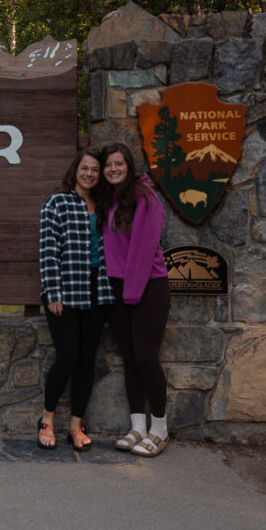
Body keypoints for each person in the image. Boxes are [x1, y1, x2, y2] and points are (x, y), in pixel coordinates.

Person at [38, 149, 114, 451]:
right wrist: (52, 292)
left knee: (86, 362)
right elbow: (47, 250)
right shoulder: (57, 202)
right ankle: (47, 419)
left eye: (95, 169)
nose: (90, 174)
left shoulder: (106, 205)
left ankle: (75, 425)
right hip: (65, 291)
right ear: (76, 170)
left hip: (98, 290)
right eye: (85, 168)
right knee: (67, 356)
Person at [98, 141, 171, 457]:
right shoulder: (112, 200)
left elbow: (143, 249)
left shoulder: (145, 197)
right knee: (129, 357)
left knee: (145, 357)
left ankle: (159, 429)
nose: (113, 169)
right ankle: (137, 427)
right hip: (118, 288)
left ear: (129, 166)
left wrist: (130, 293)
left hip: (148, 287)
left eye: (119, 163)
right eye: (108, 165)